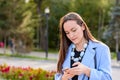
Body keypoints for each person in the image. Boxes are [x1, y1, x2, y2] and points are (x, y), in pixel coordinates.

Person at [55, 12, 112, 80]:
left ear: (83, 26)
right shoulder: (65, 50)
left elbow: (107, 78)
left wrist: (87, 71)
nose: (71, 35)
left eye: (74, 30)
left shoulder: (102, 49)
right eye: (67, 33)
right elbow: (58, 76)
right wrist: (63, 78)